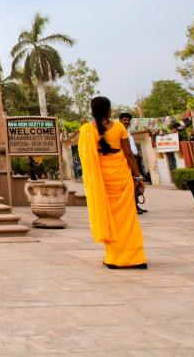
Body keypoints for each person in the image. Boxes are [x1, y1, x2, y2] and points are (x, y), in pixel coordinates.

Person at [78, 96, 147, 269]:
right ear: (109, 110)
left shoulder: (87, 130)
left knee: (110, 218)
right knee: (128, 218)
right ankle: (135, 257)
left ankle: (115, 257)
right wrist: (138, 177)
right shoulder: (119, 128)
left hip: (102, 180)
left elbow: (86, 158)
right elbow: (129, 154)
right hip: (121, 176)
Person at [118, 113, 147, 215]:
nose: (126, 122)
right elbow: (127, 150)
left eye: (128, 120)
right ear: (120, 120)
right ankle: (132, 206)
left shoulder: (128, 132)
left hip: (134, 159)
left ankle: (136, 204)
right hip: (127, 160)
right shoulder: (119, 131)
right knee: (132, 184)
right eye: (124, 120)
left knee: (136, 184)